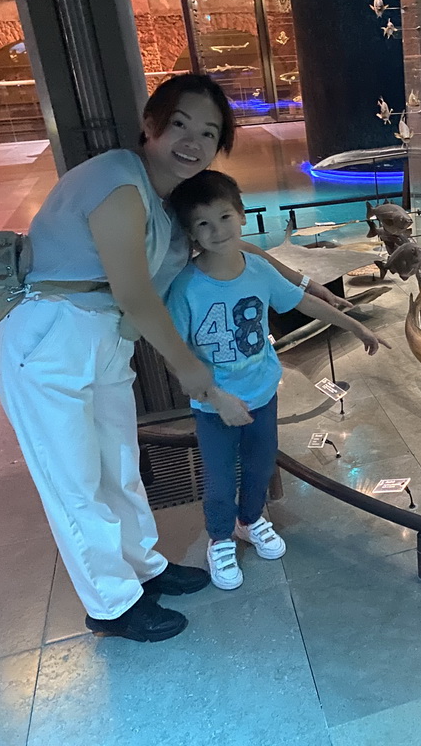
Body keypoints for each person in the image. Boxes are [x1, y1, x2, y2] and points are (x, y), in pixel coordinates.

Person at [0, 74, 346, 643]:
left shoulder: (165, 199)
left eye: (209, 132)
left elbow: (230, 246)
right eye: (180, 123)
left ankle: (144, 570)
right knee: (76, 482)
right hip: (53, 337)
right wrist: (193, 373)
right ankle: (111, 604)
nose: (193, 141)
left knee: (119, 467)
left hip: (104, 338)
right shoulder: (119, 181)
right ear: (152, 124)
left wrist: (304, 280)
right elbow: (134, 291)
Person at [166, 170, 389, 589]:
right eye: (202, 224)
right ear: (190, 233)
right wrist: (215, 397)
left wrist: (355, 325)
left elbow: (301, 300)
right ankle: (219, 537)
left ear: (242, 216)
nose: (217, 231)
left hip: (262, 394)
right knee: (218, 478)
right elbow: (174, 353)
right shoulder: (185, 288)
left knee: (259, 464)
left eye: (224, 218)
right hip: (214, 406)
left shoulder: (258, 270)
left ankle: (249, 521)